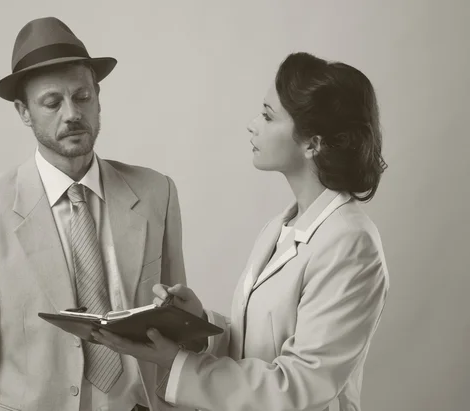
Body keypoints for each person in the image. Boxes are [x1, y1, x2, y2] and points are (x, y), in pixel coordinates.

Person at [92, 51, 390, 411]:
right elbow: (258, 347)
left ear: (313, 144)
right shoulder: (281, 227)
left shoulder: (351, 243)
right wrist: (198, 325)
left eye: (267, 116)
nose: (252, 125)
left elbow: (300, 387)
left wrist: (178, 362)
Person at [0, 17, 194, 411]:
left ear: (98, 97)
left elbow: (179, 324)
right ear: (24, 112)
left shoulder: (156, 191)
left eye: (82, 96)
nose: (72, 113)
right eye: (52, 103)